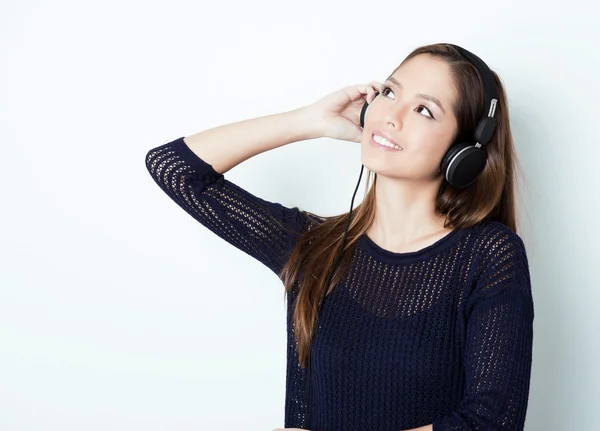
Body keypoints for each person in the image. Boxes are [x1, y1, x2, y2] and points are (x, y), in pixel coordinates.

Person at [145, 43, 534, 431]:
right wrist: (310, 120)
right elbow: (173, 168)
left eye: (423, 110)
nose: (391, 116)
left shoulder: (487, 254)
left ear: (464, 151)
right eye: (389, 92)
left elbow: (491, 423)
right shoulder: (315, 246)